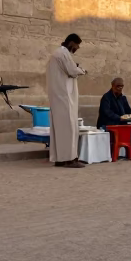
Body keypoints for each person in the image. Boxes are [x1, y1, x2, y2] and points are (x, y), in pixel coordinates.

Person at [46, 34, 87, 168]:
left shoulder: (57, 53)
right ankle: (69, 159)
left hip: (58, 96)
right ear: (71, 43)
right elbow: (72, 71)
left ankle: (60, 158)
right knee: (68, 128)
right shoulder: (63, 54)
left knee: (60, 129)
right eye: (77, 45)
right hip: (64, 97)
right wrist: (82, 70)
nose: (77, 48)